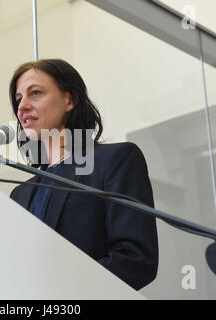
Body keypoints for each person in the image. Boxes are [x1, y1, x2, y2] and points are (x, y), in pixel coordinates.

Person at [9, 59, 158, 291]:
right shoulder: (19, 194)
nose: (22, 107)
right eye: (19, 99)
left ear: (70, 100)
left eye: (35, 93)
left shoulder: (114, 160)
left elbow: (135, 259)